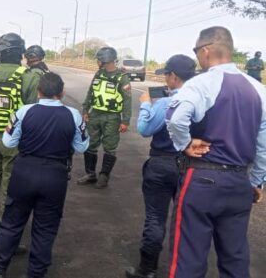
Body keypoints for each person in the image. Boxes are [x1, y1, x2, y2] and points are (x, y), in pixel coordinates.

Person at [165, 26, 266, 278]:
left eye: (197, 51)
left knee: (188, 258)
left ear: (206, 50)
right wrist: (256, 181)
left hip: (202, 180)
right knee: (235, 258)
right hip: (240, 182)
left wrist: (185, 144)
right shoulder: (258, 90)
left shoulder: (201, 84)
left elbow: (177, 118)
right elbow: (264, 144)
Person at [0, 72, 89, 278]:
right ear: (61, 92)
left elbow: (8, 142)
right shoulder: (73, 115)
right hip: (55, 175)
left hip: (24, 172)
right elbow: (82, 146)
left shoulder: (24, 111)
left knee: (12, 222)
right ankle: (36, 273)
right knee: (45, 229)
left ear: (39, 91)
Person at [125, 55, 196, 278]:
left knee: (156, 218)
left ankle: (147, 270)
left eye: (166, 75)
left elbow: (145, 129)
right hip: (191, 166)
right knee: (185, 218)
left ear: (173, 76)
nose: (165, 80)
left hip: (161, 163)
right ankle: (184, 269)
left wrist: (146, 104)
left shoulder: (166, 103)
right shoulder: (201, 101)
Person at [0, 33, 42, 250]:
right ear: (21, 53)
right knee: (10, 189)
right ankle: (7, 242)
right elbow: (33, 113)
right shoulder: (29, 77)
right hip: (14, 140)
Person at [77, 47, 132, 189]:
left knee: (110, 146)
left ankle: (104, 175)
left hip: (112, 117)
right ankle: (90, 174)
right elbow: (90, 93)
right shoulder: (98, 74)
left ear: (105, 60)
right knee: (91, 144)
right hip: (95, 114)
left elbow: (127, 101)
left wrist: (125, 121)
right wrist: (85, 110)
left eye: (99, 59)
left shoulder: (122, 77)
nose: (97, 62)